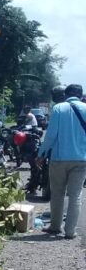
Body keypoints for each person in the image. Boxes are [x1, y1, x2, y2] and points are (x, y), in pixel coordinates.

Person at [37, 84, 86, 239]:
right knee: (75, 195)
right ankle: (70, 232)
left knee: (57, 193)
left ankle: (55, 226)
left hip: (58, 159)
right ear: (81, 94)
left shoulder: (58, 108)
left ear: (65, 94)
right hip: (81, 159)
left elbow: (51, 135)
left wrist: (41, 154)